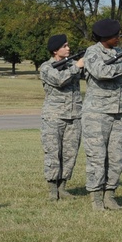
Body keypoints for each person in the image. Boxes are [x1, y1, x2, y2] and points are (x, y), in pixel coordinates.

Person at [82, 19, 122, 211]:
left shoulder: (118, 53)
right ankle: (96, 198)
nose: (118, 38)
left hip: (118, 110)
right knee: (97, 156)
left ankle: (110, 194)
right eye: (115, 35)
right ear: (105, 37)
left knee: (116, 156)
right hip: (97, 112)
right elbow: (100, 72)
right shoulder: (92, 52)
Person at [38, 34, 84, 201]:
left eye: (68, 45)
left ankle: (63, 187)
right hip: (53, 117)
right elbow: (59, 80)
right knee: (53, 152)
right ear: (55, 50)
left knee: (70, 153)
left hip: (74, 116)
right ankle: (52, 189)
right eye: (64, 46)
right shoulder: (46, 67)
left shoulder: (73, 64)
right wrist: (77, 66)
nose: (68, 48)